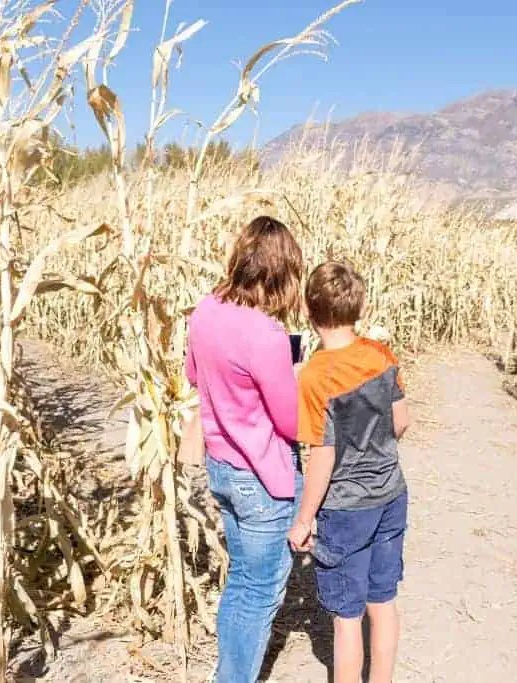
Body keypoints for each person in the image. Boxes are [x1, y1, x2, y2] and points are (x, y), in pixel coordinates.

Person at [185, 216, 304, 682]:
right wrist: (298, 379)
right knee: (260, 590)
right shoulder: (267, 334)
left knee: (241, 582)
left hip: (222, 468)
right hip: (262, 478)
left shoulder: (206, 309)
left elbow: (196, 376)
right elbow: (291, 422)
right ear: (280, 273)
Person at [288, 261, 412, 683]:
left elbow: (321, 458)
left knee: (346, 617)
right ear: (360, 306)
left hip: (346, 509)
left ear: (308, 311)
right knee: (383, 601)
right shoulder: (381, 355)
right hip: (392, 494)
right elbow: (401, 422)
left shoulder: (315, 376)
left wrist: (303, 520)